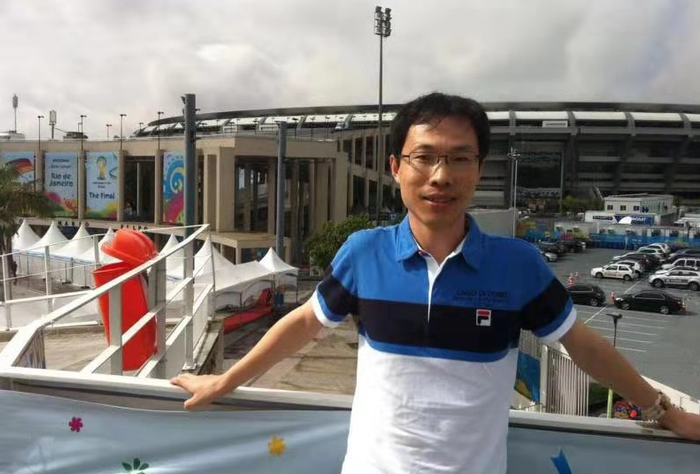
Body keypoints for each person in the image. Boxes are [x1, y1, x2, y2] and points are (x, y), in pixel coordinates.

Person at [171, 93, 700, 473]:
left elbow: (583, 345)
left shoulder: (517, 264)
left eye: (459, 158)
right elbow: (305, 323)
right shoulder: (364, 252)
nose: (440, 176)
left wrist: (665, 412)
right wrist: (223, 383)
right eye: (424, 157)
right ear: (396, 167)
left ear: (479, 169)